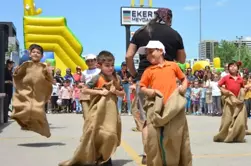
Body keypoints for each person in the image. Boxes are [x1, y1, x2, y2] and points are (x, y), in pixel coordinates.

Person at [125, 7, 186, 164]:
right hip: (169, 81)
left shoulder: (141, 31)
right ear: (169, 19)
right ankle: (169, 153)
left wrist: (134, 74)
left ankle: (149, 154)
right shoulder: (175, 34)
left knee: (147, 120)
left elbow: (129, 55)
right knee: (170, 118)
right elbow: (182, 59)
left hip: (144, 80)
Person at [59, 51, 123, 166]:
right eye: (107, 66)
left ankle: (106, 157)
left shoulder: (116, 77)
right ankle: (98, 157)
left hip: (111, 113)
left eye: (112, 65)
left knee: (110, 135)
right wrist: (99, 92)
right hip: (98, 111)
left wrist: (116, 91)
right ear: (99, 66)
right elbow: (85, 90)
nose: (110, 68)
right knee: (97, 134)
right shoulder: (97, 78)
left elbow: (122, 93)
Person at [139, 40, 191, 166]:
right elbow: (142, 86)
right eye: (146, 53)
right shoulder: (149, 70)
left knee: (175, 136)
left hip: (173, 107)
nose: (148, 55)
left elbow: (184, 78)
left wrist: (184, 86)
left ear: (160, 51)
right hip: (157, 108)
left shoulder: (173, 66)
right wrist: (150, 91)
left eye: (150, 52)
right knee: (154, 138)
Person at [10, 44, 53, 137]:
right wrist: (16, 72)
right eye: (33, 52)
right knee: (23, 108)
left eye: (38, 53)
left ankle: (44, 131)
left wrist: (50, 73)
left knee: (38, 111)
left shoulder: (44, 66)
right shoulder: (25, 65)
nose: (36, 54)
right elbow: (17, 75)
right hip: (25, 91)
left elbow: (50, 79)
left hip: (38, 93)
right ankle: (25, 124)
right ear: (30, 54)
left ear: (42, 56)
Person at [80, 54, 101, 119]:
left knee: (96, 113)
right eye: (88, 61)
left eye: (92, 61)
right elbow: (82, 81)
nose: (90, 63)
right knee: (86, 114)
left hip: (96, 92)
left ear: (95, 61)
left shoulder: (99, 71)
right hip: (86, 93)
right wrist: (81, 85)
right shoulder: (84, 72)